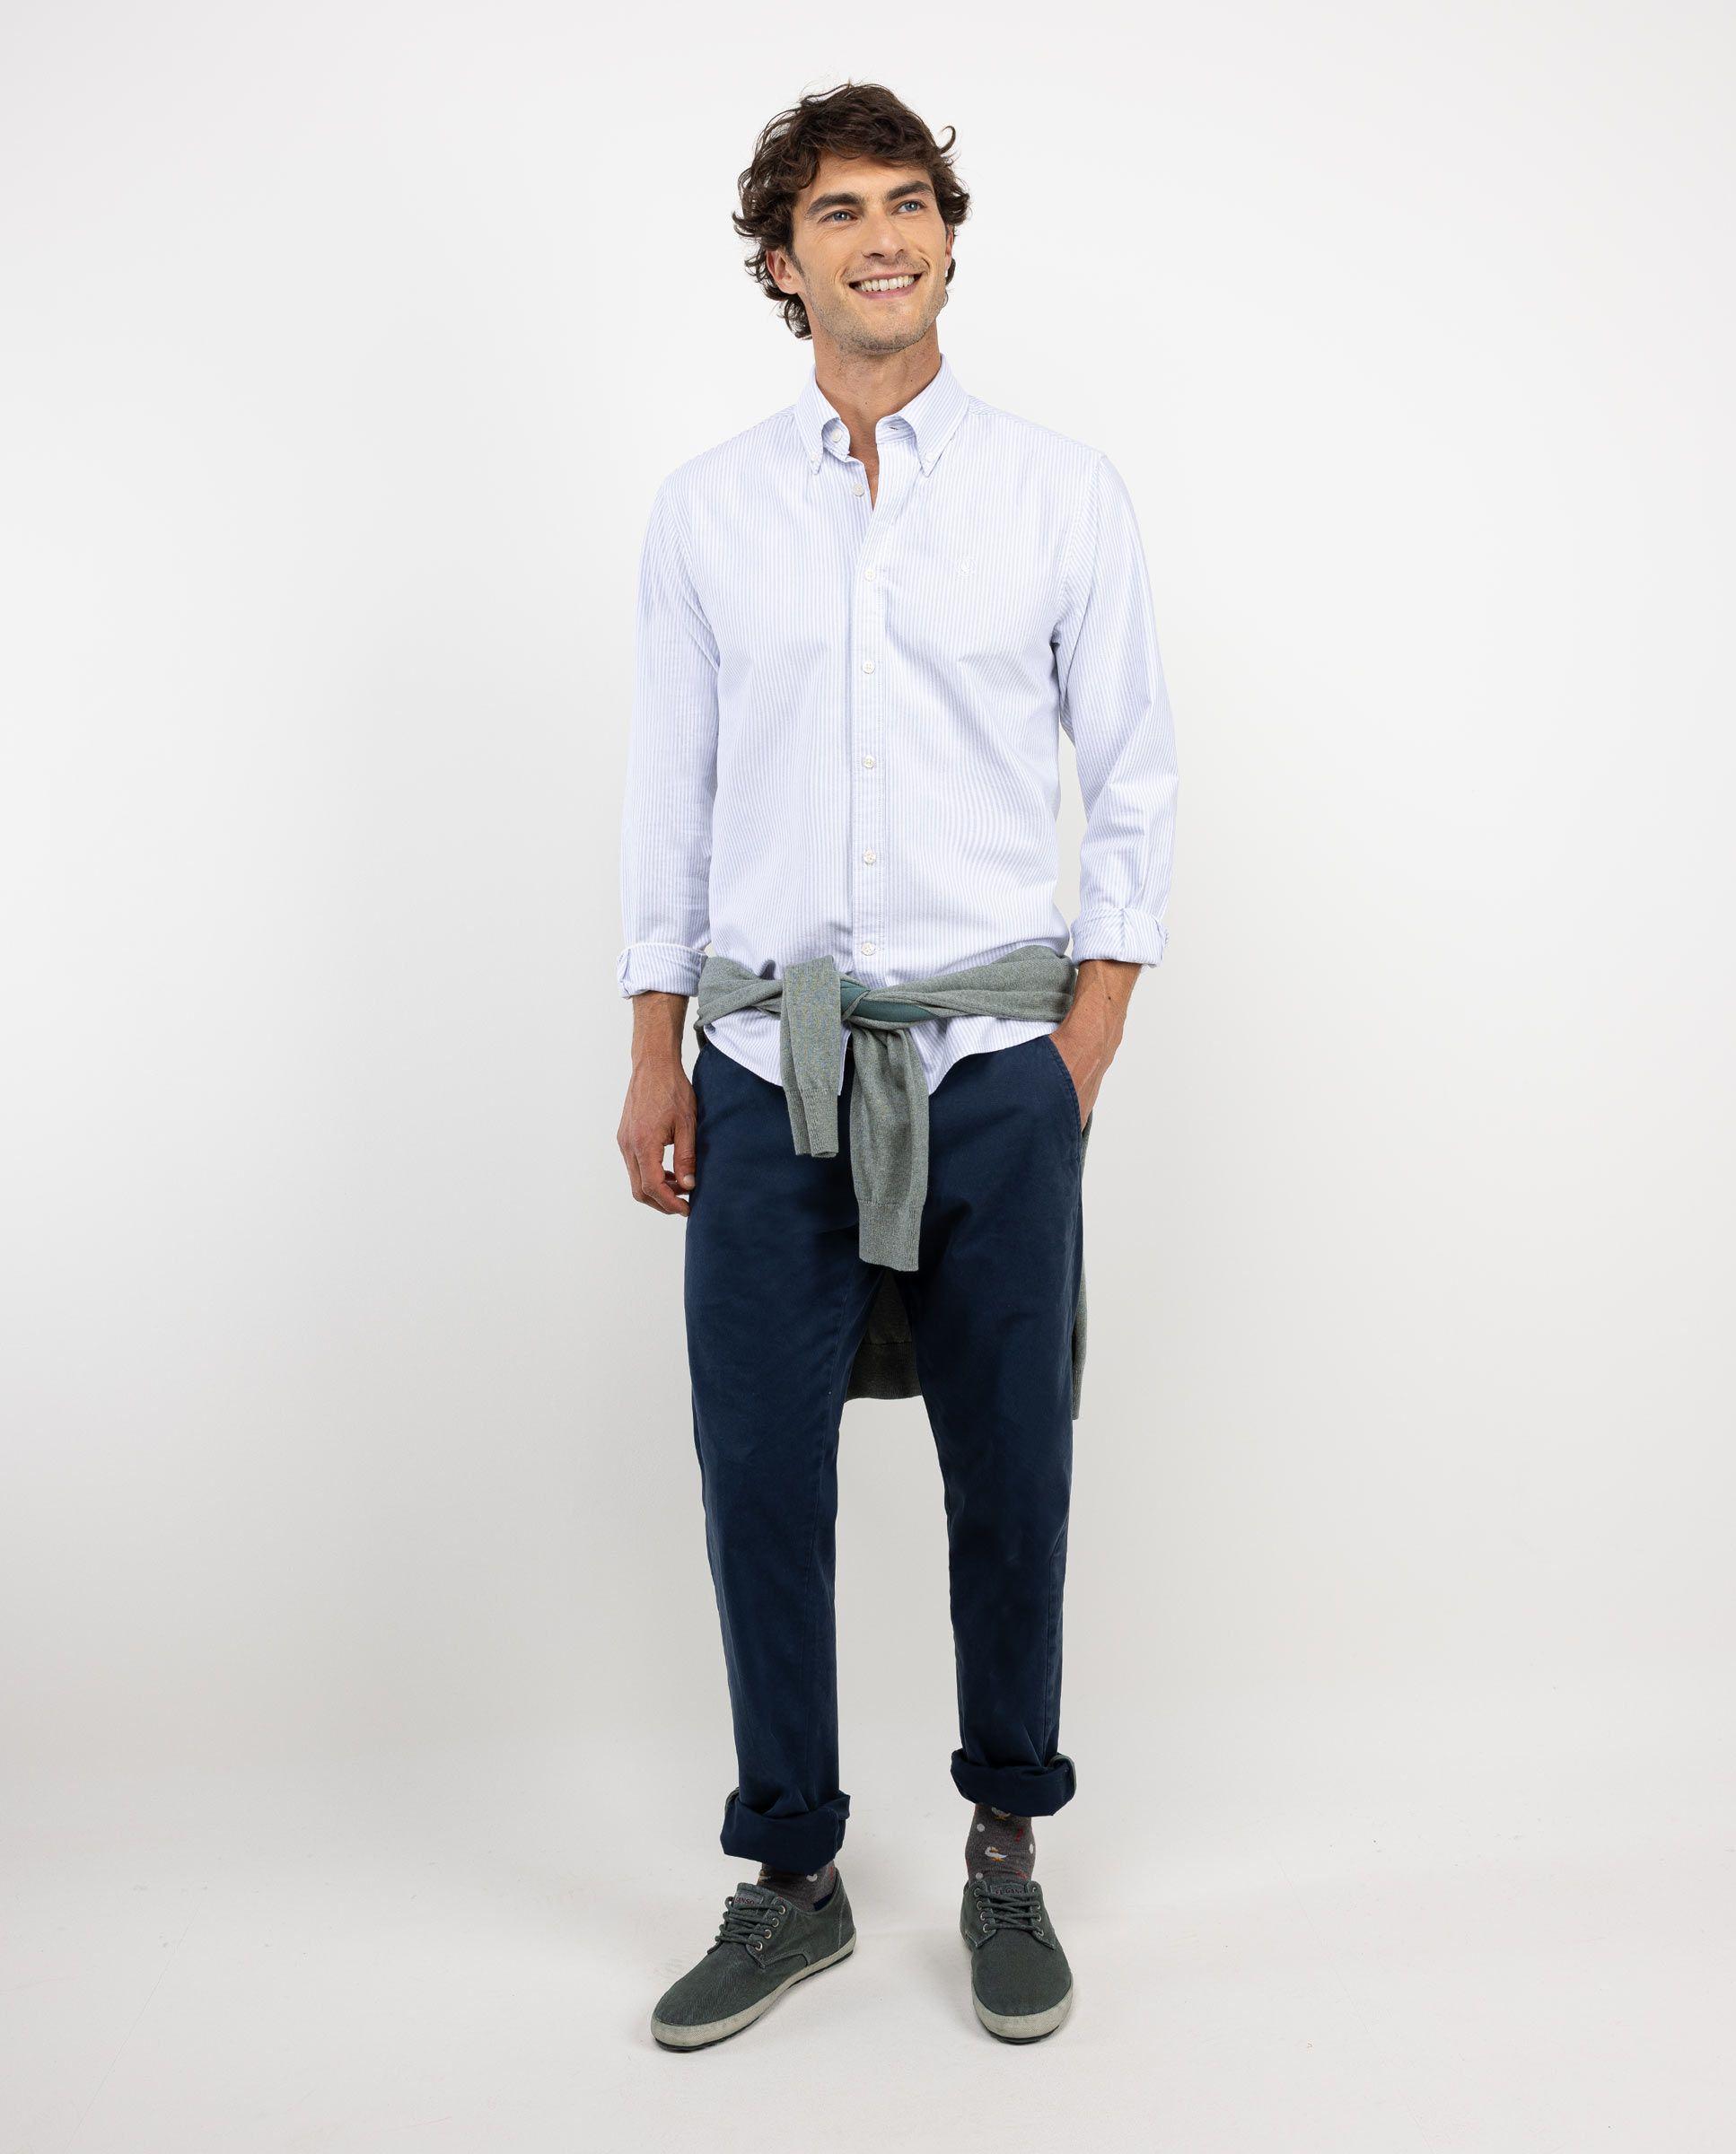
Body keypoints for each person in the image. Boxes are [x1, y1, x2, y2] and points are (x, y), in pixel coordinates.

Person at [615, 79, 1179, 2049]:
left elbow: (1135, 779)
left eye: (910, 203)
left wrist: (1080, 1044)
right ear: (782, 263)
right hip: (765, 1065)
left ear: (947, 234)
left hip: (997, 1068)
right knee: (756, 1478)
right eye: (839, 212)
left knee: (1009, 1469)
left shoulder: (1057, 494)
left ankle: (1006, 1849)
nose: (883, 238)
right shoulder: (708, 512)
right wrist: (654, 1053)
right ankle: (792, 1877)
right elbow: (671, 800)